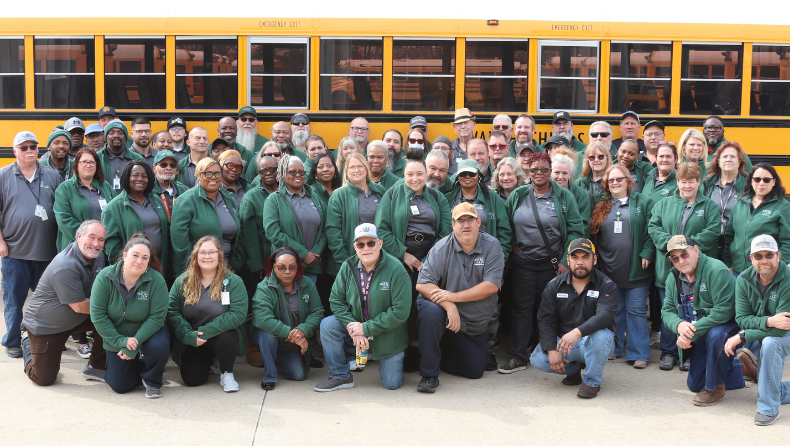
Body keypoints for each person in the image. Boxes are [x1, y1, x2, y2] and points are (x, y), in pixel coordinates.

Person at [501, 152, 584, 373]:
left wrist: (567, 260)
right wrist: (507, 254)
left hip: (553, 264)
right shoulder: (518, 195)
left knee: (548, 310)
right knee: (521, 309)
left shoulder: (564, 196)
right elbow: (507, 228)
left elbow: (576, 230)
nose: (539, 173)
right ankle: (518, 356)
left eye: (544, 169)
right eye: (534, 169)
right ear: (528, 170)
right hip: (523, 263)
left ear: (550, 172)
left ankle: (545, 352)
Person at [414, 202, 505, 392]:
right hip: (446, 317)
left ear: (478, 222)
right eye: (460, 221)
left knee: (474, 371)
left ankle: (434, 352)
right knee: (430, 310)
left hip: (473, 324)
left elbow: (491, 286)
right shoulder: (441, 248)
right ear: (453, 224)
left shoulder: (492, 246)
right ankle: (429, 374)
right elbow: (422, 284)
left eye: (470, 220)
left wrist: (454, 298)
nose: (466, 225)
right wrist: (449, 305)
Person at [375, 150, 452, 371]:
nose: (415, 179)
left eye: (420, 173)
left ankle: (426, 350)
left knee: (428, 306)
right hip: (401, 256)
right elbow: (382, 230)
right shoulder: (392, 194)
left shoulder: (438, 197)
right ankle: (405, 349)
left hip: (432, 256)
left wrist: (429, 260)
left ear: (427, 173)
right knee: (404, 305)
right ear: (403, 174)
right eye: (410, 174)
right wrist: (403, 254)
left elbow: (446, 232)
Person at [314, 223, 411, 391]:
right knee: (328, 325)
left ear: (380, 244)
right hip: (357, 324)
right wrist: (354, 329)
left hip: (387, 332)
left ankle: (393, 357)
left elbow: (400, 311)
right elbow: (336, 300)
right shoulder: (348, 266)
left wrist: (366, 329)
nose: (366, 248)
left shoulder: (397, 269)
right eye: (360, 244)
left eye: (371, 243)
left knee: (391, 384)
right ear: (355, 247)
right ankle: (340, 376)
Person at [649, 162, 721, 371]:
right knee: (670, 310)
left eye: (691, 181)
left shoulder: (709, 206)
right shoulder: (663, 204)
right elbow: (653, 227)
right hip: (669, 268)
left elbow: (713, 231)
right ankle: (669, 352)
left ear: (699, 182)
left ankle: (691, 353)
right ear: (677, 182)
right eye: (683, 181)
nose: (687, 185)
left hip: (698, 270)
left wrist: (687, 248)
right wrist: (673, 246)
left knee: (696, 312)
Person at [659, 235, 744, 405]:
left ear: (696, 250)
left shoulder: (717, 270)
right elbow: (667, 311)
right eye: (675, 257)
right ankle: (740, 368)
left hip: (726, 327)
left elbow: (724, 312)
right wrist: (680, 325)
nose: (681, 261)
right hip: (699, 330)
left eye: (684, 254)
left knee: (716, 335)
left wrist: (690, 333)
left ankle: (715, 388)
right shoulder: (673, 277)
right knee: (695, 385)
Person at [20, 220, 107, 385]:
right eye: (92, 237)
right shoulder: (66, 265)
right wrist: (115, 306)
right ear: (79, 236)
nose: (96, 244)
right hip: (46, 325)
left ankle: (97, 367)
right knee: (43, 379)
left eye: (101, 239)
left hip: (76, 319)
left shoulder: (98, 255)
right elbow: (80, 306)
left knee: (115, 318)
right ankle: (26, 338)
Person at [446, 158, 512, 370]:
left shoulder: (493, 199)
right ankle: (456, 349)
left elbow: (505, 233)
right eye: (463, 174)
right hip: (456, 261)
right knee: (456, 304)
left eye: (471, 174)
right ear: (457, 176)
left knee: (489, 308)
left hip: (487, 260)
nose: (467, 178)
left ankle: (490, 349)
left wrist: (498, 260)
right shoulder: (448, 199)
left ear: (479, 175)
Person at [1, 131, 63, 358]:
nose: (29, 151)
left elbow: (61, 210)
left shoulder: (52, 175)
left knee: (47, 300)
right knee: (14, 299)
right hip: (14, 251)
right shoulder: (3, 175)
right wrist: (1, 243)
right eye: (24, 147)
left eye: (33, 147)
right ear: (14, 150)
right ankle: (13, 341)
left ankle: (44, 336)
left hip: (47, 252)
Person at [530, 238, 617, 397]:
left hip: (591, 341)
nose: (580, 262)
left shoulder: (606, 284)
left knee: (602, 336)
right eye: (575, 257)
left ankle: (591, 381)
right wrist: (551, 349)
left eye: (585, 257)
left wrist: (577, 332)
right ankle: (573, 369)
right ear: (568, 260)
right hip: (564, 342)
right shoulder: (554, 285)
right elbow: (545, 319)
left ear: (594, 259)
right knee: (538, 359)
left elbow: (605, 315)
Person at [589, 164, 654, 368]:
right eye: (611, 180)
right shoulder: (601, 204)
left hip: (637, 268)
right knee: (614, 312)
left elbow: (653, 229)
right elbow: (593, 235)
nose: (615, 183)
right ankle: (614, 348)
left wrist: (648, 252)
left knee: (636, 311)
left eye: (619, 179)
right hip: (608, 268)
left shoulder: (643, 202)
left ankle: (639, 354)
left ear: (629, 180)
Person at [90, 235, 170, 398]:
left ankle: (152, 379)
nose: (139, 261)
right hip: (119, 335)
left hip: (148, 332)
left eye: (144, 258)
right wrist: (121, 341)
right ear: (125, 255)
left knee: (159, 346)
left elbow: (156, 318)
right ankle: (136, 366)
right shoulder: (105, 277)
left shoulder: (156, 280)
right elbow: (98, 316)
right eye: (135, 255)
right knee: (120, 386)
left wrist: (133, 344)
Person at [167, 236, 247, 392]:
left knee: (227, 336)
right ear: (196, 256)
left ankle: (226, 372)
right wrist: (188, 335)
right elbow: (171, 311)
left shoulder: (233, 281)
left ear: (219, 255)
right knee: (193, 380)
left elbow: (238, 314)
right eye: (202, 252)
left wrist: (205, 332)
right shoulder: (182, 281)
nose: (207, 256)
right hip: (194, 338)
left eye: (212, 252)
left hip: (221, 335)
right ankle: (209, 361)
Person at [725, 235, 790, 425]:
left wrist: (743, 336)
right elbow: (742, 319)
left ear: (778, 256)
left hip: (784, 332)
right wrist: (769, 321)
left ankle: (768, 409)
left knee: (771, 343)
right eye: (758, 256)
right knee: (769, 342)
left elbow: (782, 328)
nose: (764, 260)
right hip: (773, 328)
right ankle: (772, 392)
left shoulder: (788, 279)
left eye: (769, 255)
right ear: (751, 258)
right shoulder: (744, 279)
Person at [253, 247, 324, 390]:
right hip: (268, 335)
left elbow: (317, 311)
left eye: (292, 267)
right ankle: (269, 375)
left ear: (298, 267)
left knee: (298, 374)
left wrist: (303, 330)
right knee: (268, 335)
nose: (287, 271)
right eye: (281, 267)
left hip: (291, 340)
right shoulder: (265, 287)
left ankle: (275, 356)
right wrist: (294, 335)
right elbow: (263, 319)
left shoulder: (307, 284)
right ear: (274, 267)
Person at [102, 160, 172, 279]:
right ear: (126, 178)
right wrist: (125, 268)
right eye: (135, 175)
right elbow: (111, 247)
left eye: (144, 176)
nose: (140, 179)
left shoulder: (157, 200)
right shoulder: (114, 207)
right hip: (133, 269)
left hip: (160, 266)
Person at [171, 157, 242, 275]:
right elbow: (179, 241)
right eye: (208, 173)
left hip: (227, 268)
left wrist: (235, 264)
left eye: (218, 173)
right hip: (196, 270)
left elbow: (240, 234)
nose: (213, 177)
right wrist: (195, 267)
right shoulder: (186, 201)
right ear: (199, 175)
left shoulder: (229, 199)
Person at [263, 155, 327, 284]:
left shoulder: (315, 196)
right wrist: (303, 254)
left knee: (307, 301)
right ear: (283, 174)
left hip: (312, 265)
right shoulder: (274, 199)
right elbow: (273, 233)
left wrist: (314, 254)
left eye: (301, 172)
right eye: (292, 172)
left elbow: (326, 228)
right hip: (286, 265)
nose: (298, 175)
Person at [724, 163, 790, 275]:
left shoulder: (783, 207)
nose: (761, 183)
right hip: (737, 270)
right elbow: (729, 237)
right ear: (751, 181)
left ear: (774, 182)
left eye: (766, 180)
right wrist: (728, 263)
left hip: (766, 272)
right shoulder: (740, 204)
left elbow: (787, 242)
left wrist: (777, 266)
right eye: (757, 179)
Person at [326, 153, 386, 272]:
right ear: (346, 172)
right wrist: (345, 261)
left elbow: (387, 224)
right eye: (352, 167)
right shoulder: (339, 196)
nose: (356, 170)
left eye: (360, 166)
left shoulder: (380, 191)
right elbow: (333, 231)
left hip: (379, 258)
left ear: (366, 168)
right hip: (351, 259)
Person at [55, 148, 115, 252]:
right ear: (76, 166)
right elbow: (64, 219)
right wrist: (90, 238)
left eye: (92, 162)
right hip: (75, 248)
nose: (88, 165)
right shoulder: (65, 188)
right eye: (84, 162)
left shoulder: (106, 187)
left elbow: (115, 216)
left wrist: (103, 239)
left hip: (103, 248)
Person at [702, 141, 749, 259]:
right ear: (718, 161)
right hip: (710, 243)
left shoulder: (749, 186)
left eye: (733, 156)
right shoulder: (706, 185)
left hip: (736, 244)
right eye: (725, 156)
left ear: (740, 161)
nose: (728, 159)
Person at [239, 155, 279, 290]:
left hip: (285, 258)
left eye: (272, 169)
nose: (268, 173)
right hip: (263, 260)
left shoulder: (286, 192)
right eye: (263, 171)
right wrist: (256, 264)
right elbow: (249, 235)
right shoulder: (251, 197)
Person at [550, 148, 591, 236]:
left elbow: (584, 226)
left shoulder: (580, 195)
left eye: (565, 173)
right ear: (550, 173)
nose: (560, 177)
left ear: (570, 174)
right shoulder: (542, 191)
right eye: (557, 172)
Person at [97, 121, 145, 192]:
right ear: (105, 137)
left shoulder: (138, 159)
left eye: (120, 133)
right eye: (111, 132)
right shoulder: (96, 158)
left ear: (126, 137)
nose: (116, 135)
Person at [151, 150, 188, 221]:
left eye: (172, 165)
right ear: (154, 168)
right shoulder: (149, 191)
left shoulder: (183, 190)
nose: (168, 168)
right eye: (163, 165)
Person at [576, 142, 613, 210]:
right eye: (592, 157)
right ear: (588, 161)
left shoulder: (613, 181)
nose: (596, 160)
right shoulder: (579, 183)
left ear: (607, 158)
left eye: (600, 157)